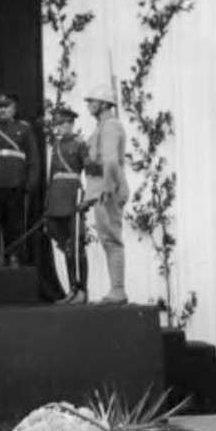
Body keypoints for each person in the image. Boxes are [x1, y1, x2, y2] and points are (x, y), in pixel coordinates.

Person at [0, 92, 41, 266]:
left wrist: (31, 183)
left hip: (16, 184)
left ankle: (14, 257)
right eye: (0, 107)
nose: (2, 110)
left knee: (15, 224)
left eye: (6, 107)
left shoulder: (24, 129)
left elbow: (33, 159)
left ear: (14, 108)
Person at [83, 84, 129, 304]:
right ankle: (116, 289)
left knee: (112, 240)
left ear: (103, 104)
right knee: (108, 240)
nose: (89, 105)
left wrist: (109, 188)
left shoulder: (110, 126)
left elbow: (110, 160)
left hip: (106, 189)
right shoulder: (102, 126)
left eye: (92, 101)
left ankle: (118, 290)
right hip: (101, 188)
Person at [45, 106, 90, 304]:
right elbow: (51, 176)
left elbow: (91, 172)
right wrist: (48, 203)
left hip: (73, 197)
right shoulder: (55, 146)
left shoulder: (80, 144)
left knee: (77, 246)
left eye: (63, 123)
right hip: (56, 200)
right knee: (67, 247)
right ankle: (72, 289)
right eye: (58, 124)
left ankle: (82, 290)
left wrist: (88, 198)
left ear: (71, 124)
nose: (60, 127)